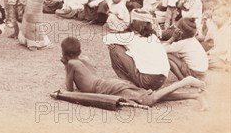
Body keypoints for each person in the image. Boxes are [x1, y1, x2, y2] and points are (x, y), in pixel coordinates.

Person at [60, 37, 206, 109]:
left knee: (148, 100)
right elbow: (92, 74)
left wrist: (66, 65)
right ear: (78, 51)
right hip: (109, 85)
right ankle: (194, 96)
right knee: (148, 96)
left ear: (64, 52)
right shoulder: (83, 60)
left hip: (106, 88)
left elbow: (70, 89)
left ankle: (185, 81)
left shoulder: (72, 64)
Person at [103, 9, 170, 90]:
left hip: (147, 81)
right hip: (160, 81)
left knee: (115, 48)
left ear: (135, 23)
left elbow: (106, 39)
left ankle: (127, 84)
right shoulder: (153, 37)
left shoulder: (132, 37)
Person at [205, 5, 231, 71]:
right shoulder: (216, 28)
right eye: (214, 15)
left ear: (227, 18)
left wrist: (210, 52)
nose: (215, 18)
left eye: (219, 16)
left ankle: (226, 67)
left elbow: (223, 49)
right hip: (219, 55)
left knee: (206, 61)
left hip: (225, 57)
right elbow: (208, 39)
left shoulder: (226, 30)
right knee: (204, 59)